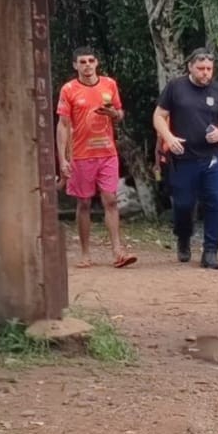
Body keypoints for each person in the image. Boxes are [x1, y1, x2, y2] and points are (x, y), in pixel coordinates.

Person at [153, 47, 218, 270]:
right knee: (184, 204)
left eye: (209, 69)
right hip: (183, 157)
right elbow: (159, 116)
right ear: (190, 67)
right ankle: (184, 236)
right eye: (201, 68)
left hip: (213, 157)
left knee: (215, 202)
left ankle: (210, 251)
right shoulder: (175, 87)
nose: (205, 73)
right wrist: (169, 137)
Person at [57, 46, 136, 269]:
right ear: (75, 65)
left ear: (97, 62)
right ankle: (85, 253)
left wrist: (114, 114)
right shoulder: (68, 90)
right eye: (82, 62)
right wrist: (62, 158)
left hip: (107, 152)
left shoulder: (109, 84)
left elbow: (119, 113)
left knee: (110, 200)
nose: (88, 65)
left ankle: (118, 250)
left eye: (91, 60)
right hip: (81, 155)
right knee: (83, 203)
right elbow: (62, 125)